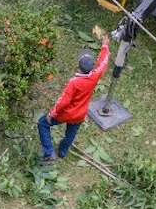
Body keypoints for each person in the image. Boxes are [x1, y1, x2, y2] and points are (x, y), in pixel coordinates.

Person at [38, 26, 111, 162]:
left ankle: (49, 152)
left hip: (66, 113)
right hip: (80, 114)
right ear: (91, 67)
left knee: (42, 123)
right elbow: (103, 63)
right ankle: (63, 152)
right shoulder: (94, 76)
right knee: (70, 134)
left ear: (79, 66)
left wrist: (51, 114)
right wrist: (105, 46)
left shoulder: (74, 82)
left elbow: (63, 101)